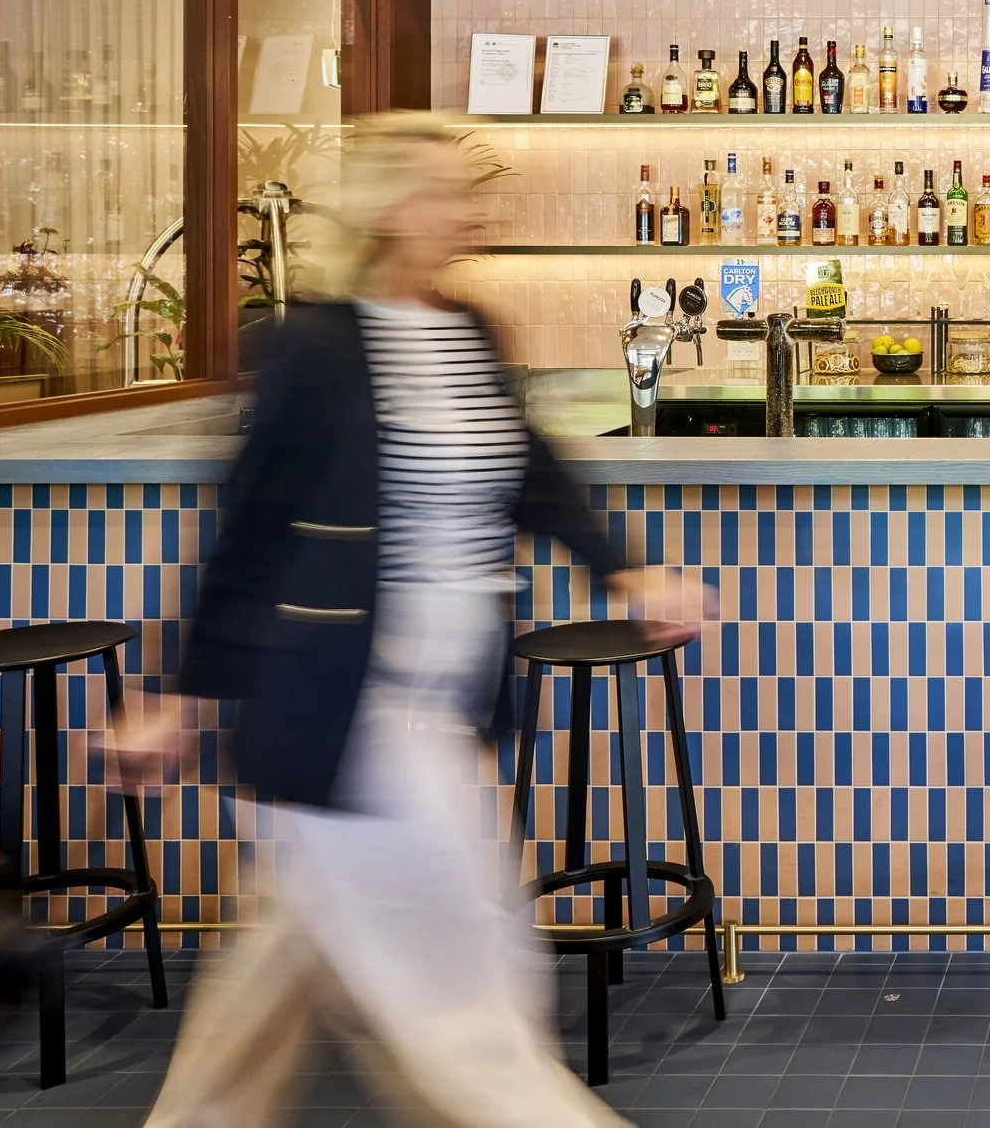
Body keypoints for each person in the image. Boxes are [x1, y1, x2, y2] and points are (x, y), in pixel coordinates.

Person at [114, 112, 705, 1128]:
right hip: (351, 707)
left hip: (448, 705)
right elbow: (249, 527)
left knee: (270, 986)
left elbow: (529, 472)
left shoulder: (468, 329)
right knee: (469, 988)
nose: (468, 212)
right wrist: (177, 691)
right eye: (445, 191)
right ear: (388, 207)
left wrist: (627, 570)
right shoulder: (312, 346)